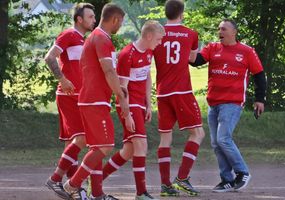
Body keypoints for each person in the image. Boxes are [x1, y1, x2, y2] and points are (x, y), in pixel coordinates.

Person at [190, 19, 267, 192]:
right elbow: (195, 61)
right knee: (216, 143)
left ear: (234, 32)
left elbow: (260, 75)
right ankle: (227, 179)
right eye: (219, 29)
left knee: (223, 138)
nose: (220, 31)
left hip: (232, 102)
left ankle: (242, 172)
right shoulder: (212, 48)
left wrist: (260, 99)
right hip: (213, 102)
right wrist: (189, 42)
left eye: (224, 29)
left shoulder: (247, 51)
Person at [62, 3, 129, 200]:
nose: (121, 26)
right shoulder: (101, 38)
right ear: (115, 19)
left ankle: (95, 193)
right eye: (121, 22)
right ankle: (72, 184)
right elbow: (108, 71)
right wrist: (121, 99)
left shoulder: (99, 37)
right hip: (94, 101)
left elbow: (107, 73)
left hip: (94, 100)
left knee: (98, 147)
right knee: (105, 146)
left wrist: (117, 88)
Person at [101, 20, 165, 200]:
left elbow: (147, 77)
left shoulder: (149, 51)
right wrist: (127, 114)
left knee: (128, 151)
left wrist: (149, 104)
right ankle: (141, 193)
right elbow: (122, 91)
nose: (160, 43)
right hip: (128, 103)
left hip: (140, 104)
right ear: (149, 35)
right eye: (159, 39)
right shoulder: (127, 54)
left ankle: (95, 180)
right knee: (141, 145)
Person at [152, 0, 205, 197]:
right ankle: (182, 178)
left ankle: (165, 185)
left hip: (162, 92)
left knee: (165, 138)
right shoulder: (190, 33)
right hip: (181, 91)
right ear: (182, 14)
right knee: (198, 134)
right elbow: (192, 59)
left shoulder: (157, 33)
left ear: (166, 14)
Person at [44, 3, 96, 199]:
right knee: (81, 139)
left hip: (80, 97)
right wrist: (62, 79)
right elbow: (49, 58)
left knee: (72, 143)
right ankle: (56, 180)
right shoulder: (68, 35)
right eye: (90, 17)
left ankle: (73, 189)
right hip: (68, 96)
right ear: (79, 19)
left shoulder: (84, 41)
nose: (94, 20)